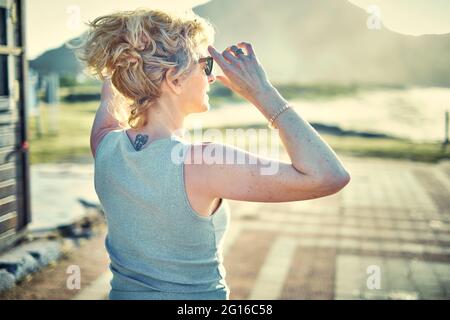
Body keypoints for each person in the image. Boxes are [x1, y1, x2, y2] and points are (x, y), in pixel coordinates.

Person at [75, 8, 350, 300]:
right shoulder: (203, 162)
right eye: (205, 65)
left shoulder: (105, 145)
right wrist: (261, 91)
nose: (212, 77)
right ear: (175, 80)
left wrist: (133, 61)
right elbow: (329, 176)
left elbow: (112, 88)